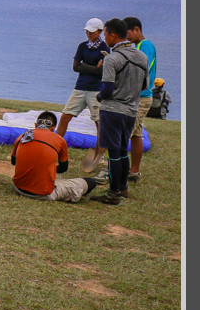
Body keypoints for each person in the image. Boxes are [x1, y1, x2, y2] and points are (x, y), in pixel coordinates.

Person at [92, 18, 148, 205]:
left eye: (105, 34)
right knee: (123, 150)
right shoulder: (142, 57)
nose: (104, 38)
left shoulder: (112, 58)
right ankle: (123, 188)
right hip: (131, 111)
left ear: (113, 35)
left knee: (113, 152)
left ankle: (113, 193)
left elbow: (107, 90)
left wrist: (99, 97)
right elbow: (144, 86)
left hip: (112, 110)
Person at [56, 18, 109, 179]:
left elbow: (103, 71)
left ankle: (100, 153)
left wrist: (85, 67)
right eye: (87, 31)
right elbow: (75, 67)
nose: (88, 34)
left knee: (99, 121)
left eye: (91, 32)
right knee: (65, 115)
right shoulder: (82, 46)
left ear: (99, 32)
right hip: (80, 87)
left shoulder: (105, 48)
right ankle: (54, 145)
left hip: (96, 89)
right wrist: (94, 68)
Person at [11, 111, 100, 203]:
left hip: (18, 188)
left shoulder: (22, 136)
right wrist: (46, 168)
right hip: (44, 193)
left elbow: (14, 162)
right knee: (90, 182)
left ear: (35, 125)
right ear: (53, 128)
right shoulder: (60, 140)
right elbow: (63, 168)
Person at [124, 16, 157, 184]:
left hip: (141, 97)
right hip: (135, 96)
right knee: (136, 134)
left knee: (124, 134)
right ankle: (134, 172)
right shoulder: (136, 46)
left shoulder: (146, 46)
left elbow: (143, 70)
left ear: (137, 29)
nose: (126, 37)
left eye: (127, 33)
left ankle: (113, 170)